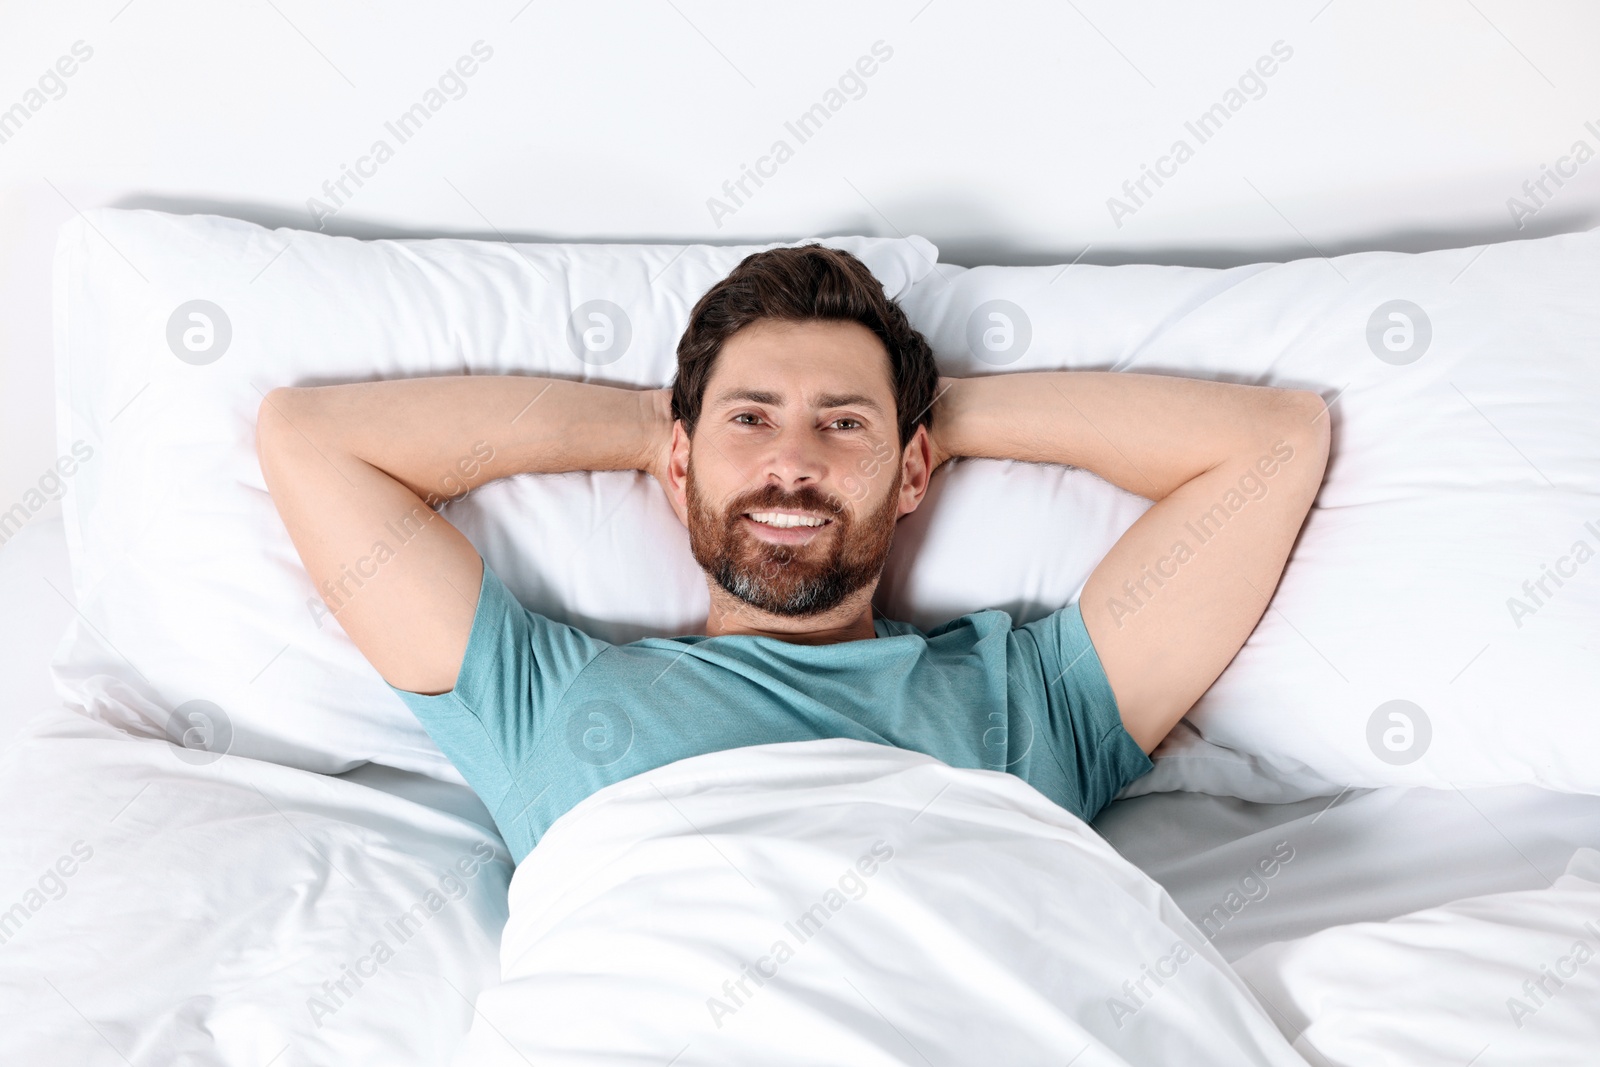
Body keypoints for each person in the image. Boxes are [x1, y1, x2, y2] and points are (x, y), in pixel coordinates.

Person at [256, 244, 1329, 866]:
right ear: (678, 466)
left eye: (842, 426)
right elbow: (312, 439)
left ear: (914, 475)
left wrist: (937, 419)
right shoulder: (543, 690)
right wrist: (647, 429)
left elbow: (1271, 444)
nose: (791, 464)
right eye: (751, 421)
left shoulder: (1033, 695)